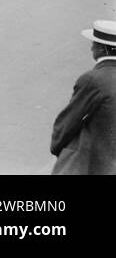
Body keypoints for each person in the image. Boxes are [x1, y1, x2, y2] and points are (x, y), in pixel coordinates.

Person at [49, 20, 116, 174]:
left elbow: (68, 122)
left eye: (94, 44)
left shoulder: (94, 79)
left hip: (97, 165)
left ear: (101, 48)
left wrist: (59, 148)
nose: (92, 47)